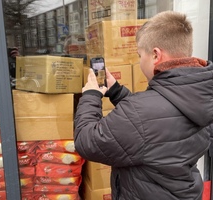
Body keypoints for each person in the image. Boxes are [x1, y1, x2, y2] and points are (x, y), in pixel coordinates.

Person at [74, 11, 213, 200]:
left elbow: (87, 141)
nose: (140, 61)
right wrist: (116, 91)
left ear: (155, 55)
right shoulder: (202, 95)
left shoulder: (142, 113)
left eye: (140, 55)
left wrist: (91, 94)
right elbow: (157, 121)